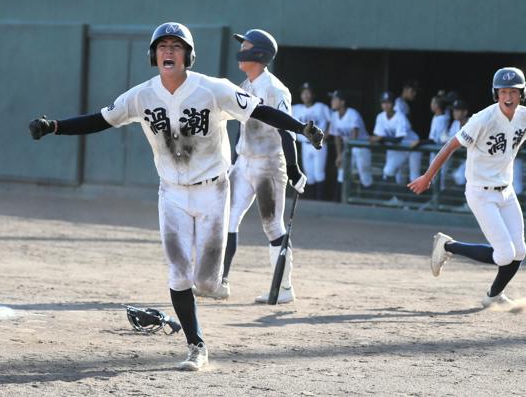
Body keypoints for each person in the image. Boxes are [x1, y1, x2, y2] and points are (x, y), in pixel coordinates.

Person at [28, 22, 323, 370]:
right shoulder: (141, 95)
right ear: (154, 55)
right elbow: (101, 120)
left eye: (176, 46)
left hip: (213, 190)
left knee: (208, 283)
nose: (169, 51)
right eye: (163, 46)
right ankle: (196, 346)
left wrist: (300, 128)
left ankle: (194, 305)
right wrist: (55, 127)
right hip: (171, 194)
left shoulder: (214, 89)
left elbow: (259, 111)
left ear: (188, 55)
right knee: (178, 274)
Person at [408, 67, 526, 307]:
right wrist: (427, 176)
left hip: (506, 192)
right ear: (496, 94)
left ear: (522, 94)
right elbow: (450, 146)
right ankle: (447, 246)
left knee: (520, 252)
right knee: (504, 254)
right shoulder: (483, 119)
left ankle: (493, 296)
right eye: (503, 91)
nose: (508, 96)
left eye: (514, 92)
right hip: (480, 193)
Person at [196, 29, 307, 304]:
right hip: (244, 162)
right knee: (227, 219)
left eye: (245, 46)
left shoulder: (275, 88)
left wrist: (293, 168)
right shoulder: (244, 86)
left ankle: (284, 288)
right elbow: (240, 126)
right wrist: (234, 160)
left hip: (269, 166)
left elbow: (286, 129)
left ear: (258, 53)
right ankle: (220, 282)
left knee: (272, 226)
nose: (240, 50)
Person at [329, 90, 373, 201]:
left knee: (364, 176)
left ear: (342, 102)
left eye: (335, 99)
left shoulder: (353, 114)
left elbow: (354, 137)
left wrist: (344, 155)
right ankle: (337, 202)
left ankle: (369, 204)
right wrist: (339, 155)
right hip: (349, 148)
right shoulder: (334, 116)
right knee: (341, 173)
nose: (332, 101)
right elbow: (337, 137)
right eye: (332, 99)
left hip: (362, 148)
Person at [292, 82, 332, 200]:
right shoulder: (296, 109)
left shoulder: (321, 107)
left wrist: (327, 135)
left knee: (319, 173)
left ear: (313, 95)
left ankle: (320, 201)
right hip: (305, 144)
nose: (306, 95)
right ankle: (312, 200)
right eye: (304, 93)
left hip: (319, 144)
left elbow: (332, 120)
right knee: (309, 174)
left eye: (308, 93)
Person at [370, 92, 419, 185]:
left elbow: (398, 139)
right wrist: (379, 139)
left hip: (412, 145)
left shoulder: (400, 117)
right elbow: (379, 137)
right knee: (391, 172)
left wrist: (380, 139)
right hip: (398, 148)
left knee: (414, 177)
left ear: (393, 104)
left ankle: (415, 199)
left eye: (388, 102)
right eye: (384, 102)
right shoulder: (380, 117)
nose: (386, 105)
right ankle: (396, 198)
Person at [447, 99, 470, 186]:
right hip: (460, 158)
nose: (454, 112)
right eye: (454, 110)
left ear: (465, 112)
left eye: (457, 110)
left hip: (474, 159)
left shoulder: (472, 123)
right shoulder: (455, 124)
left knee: (459, 177)